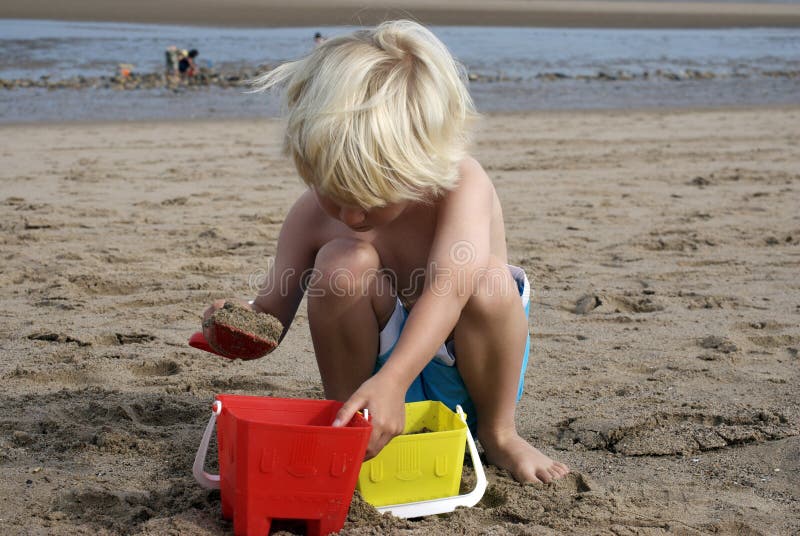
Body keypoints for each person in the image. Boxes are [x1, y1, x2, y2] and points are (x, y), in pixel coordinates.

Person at [202, 20, 569, 484]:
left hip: (466, 368)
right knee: (342, 263)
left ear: (422, 163)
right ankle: (348, 423)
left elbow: (449, 288)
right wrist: (238, 327)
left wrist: (395, 380)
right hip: (369, 385)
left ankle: (499, 435)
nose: (352, 216)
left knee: (487, 279)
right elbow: (271, 314)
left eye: (374, 197)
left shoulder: (461, 186)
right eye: (333, 192)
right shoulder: (310, 216)